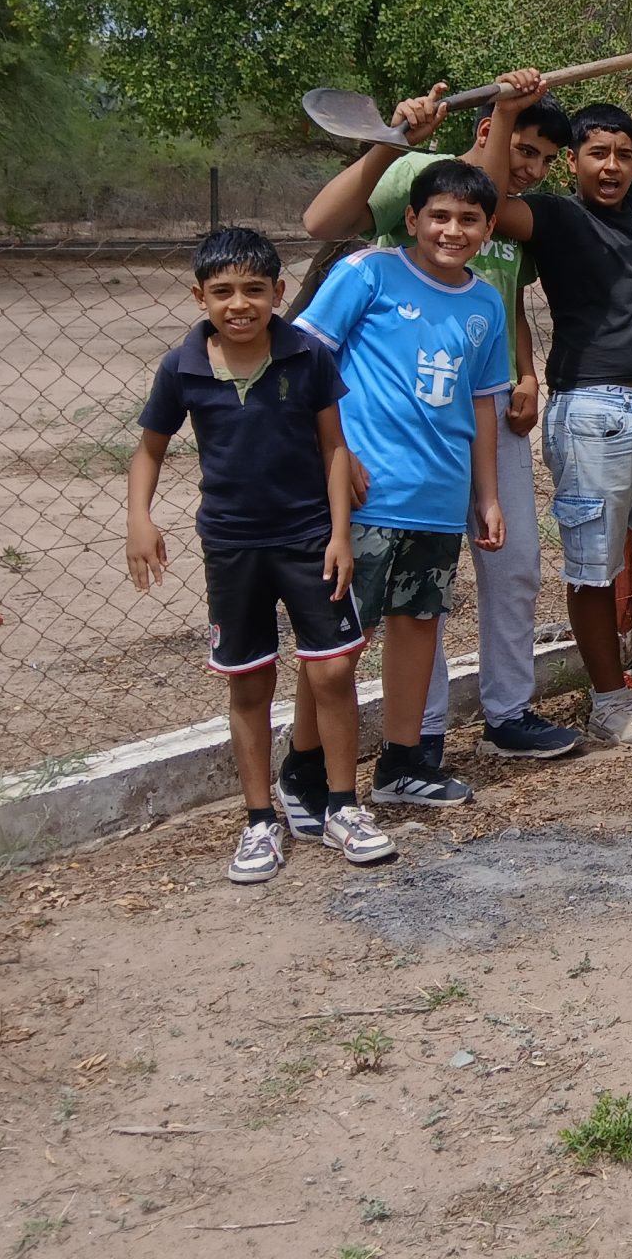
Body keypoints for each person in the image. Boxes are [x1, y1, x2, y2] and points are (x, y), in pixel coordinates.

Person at [299, 84, 582, 762]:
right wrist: (392, 138)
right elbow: (322, 223)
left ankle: (507, 711)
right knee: (401, 599)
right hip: (396, 434)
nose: (533, 168)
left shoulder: (505, 216)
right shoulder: (416, 179)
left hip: (482, 422)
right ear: (488, 126)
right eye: (523, 148)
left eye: (546, 159)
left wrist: (527, 369)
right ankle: (416, 732)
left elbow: (498, 302)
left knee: (510, 568)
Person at [476, 36, 632, 747]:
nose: (614, 165)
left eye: (623, 152)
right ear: (573, 162)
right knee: (593, 566)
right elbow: (488, 202)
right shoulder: (553, 216)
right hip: (592, 409)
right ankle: (611, 701)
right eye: (598, 153)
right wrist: (504, 110)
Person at [127, 227, 394, 880]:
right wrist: (140, 517)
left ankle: (340, 806)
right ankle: (258, 822)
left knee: (332, 672)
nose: (239, 303)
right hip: (233, 546)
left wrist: (338, 534)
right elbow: (150, 448)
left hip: (309, 540)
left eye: (254, 289)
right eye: (222, 292)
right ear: (200, 297)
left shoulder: (305, 357)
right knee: (249, 683)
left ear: (278, 291)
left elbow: (334, 448)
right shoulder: (182, 367)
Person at [297, 161, 511, 808]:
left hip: (439, 501)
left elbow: (480, 403)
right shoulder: (369, 272)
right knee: (337, 643)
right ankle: (304, 769)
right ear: (412, 219)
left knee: (418, 625)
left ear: (488, 227)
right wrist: (337, 453)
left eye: (468, 219)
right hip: (365, 498)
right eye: (439, 217)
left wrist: (488, 495)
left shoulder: (486, 302)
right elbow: (307, 360)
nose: (453, 230)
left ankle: (402, 763)